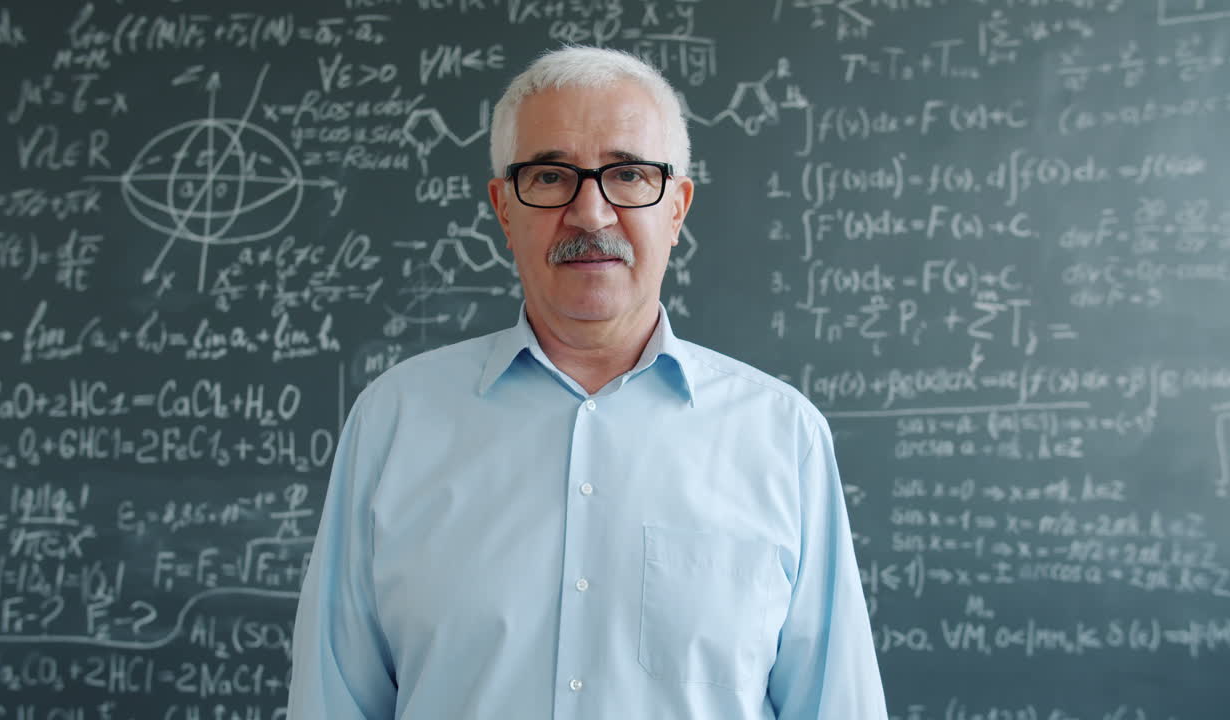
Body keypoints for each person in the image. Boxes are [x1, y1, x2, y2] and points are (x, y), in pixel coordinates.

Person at [287, 46, 888, 720]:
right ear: (503, 208)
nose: (591, 213)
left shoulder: (781, 436)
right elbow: (331, 703)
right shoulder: (395, 422)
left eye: (628, 174)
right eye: (550, 176)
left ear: (678, 208)